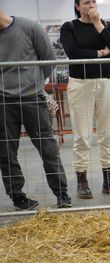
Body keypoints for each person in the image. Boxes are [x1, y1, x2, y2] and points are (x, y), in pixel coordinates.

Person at [0, 9, 71, 210]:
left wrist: (36, 85)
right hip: (3, 102)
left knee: (48, 147)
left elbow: (48, 59)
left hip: (32, 98)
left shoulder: (29, 27)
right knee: (5, 152)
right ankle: (17, 196)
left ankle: (61, 193)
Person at [60, 0, 110, 199]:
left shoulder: (107, 25)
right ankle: (82, 180)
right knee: (82, 134)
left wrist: (98, 25)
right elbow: (72, 52)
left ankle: (108, 179)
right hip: (81, 83)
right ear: (78, 6)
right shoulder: (69, 27)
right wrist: (99, 53)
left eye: (94, 1)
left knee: (107, 133)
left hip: (106, 81)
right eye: (86, 2)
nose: (91, 5)